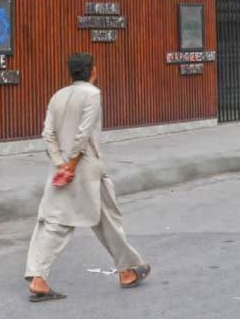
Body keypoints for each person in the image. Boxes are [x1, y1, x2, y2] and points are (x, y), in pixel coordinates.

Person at [24, 52, 150, 302]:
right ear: (93, 70)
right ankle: (38, 278)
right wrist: (70, 165)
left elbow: (47, 134)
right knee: (64, 223)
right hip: (85, 169)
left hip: (63, 169)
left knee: (93, 219)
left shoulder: (57, 95)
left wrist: (60, 163)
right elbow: (83, 134)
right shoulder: (93, 94)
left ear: (71, 72)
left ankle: (128, 270)